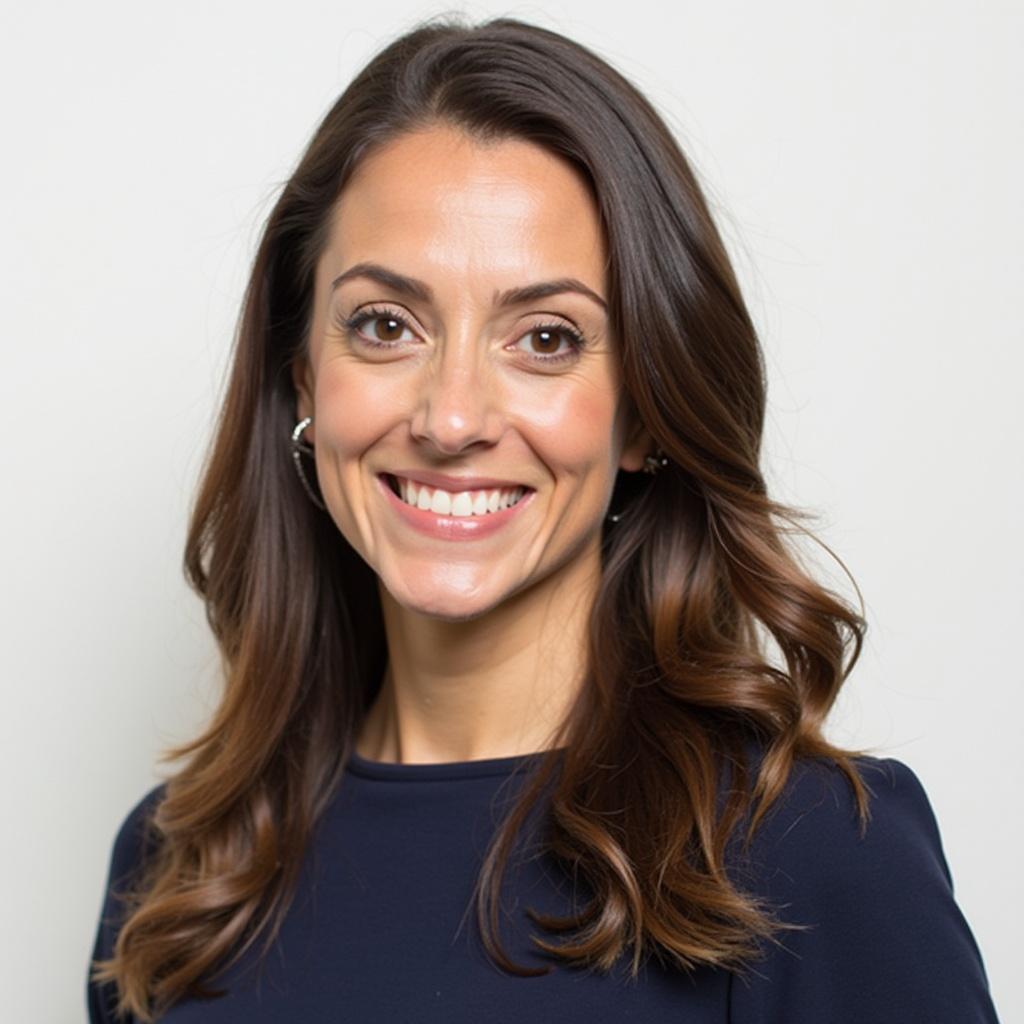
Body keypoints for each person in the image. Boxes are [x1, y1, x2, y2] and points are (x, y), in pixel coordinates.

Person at [86, 14, 1001, 1024]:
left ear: (645, 413)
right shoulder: (178, 868)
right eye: (385, 325)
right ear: (305, 373)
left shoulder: (806, 854)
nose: (451, 417)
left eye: (546, 338)